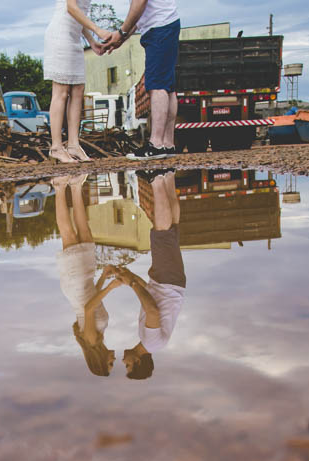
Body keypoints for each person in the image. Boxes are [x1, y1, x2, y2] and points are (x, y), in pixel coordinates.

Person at [116, 170, 184, 379]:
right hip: (167, 282)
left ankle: (169, 177)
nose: (123, 362)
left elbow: (151, 301)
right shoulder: (151, 343)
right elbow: (152, 310)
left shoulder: (149, 341)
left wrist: (128, 277)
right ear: (137, 362)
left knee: (171, 230)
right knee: (162, 233)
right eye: (127, 366)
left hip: (167, 282)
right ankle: (157, 178)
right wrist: (133, 285)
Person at [52, 174, 121, 376]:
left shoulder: (91, 341)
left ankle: (58, 187)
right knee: (86, 234)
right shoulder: (100, 336)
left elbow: (89, 308)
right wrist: (104, 277)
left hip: (75, 285)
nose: (113, 360)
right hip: (86, 283)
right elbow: (94, 300)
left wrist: (110, 287)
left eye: (110, 364)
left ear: (99, 361)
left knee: (69, 236)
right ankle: (75, 187)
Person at [102, 0, 181, 160]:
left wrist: (121, 32)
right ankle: (167, 143)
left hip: (159, 28)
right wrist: (121, 38)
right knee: (168, 86)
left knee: (158, 85)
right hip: (165, 24)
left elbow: (139, 3)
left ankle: (156, 144)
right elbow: (140, 16)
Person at [43, 0, 113, 164]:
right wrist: (98, 30)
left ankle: (74, 144)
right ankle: (56, 147)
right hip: (60, 36)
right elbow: (71, 8)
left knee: (78, 90)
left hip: (74, 38)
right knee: (61, 91)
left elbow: (79, 16)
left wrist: (91, 41)